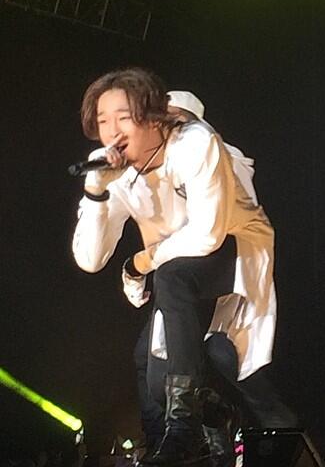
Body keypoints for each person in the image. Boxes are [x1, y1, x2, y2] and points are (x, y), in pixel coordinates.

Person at [72, 68, 276, 466]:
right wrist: (96, 192)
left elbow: (207, 234)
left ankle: (183, 428)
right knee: (154, 378)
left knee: (177, 283)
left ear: (154, 116)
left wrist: (140, 262)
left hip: (233, 249)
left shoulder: (195, 143)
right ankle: (211, 416)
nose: (112, 131)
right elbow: (90, 259)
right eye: (102, 121)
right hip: (177, 267)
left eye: (123, 117)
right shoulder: (118, 173)